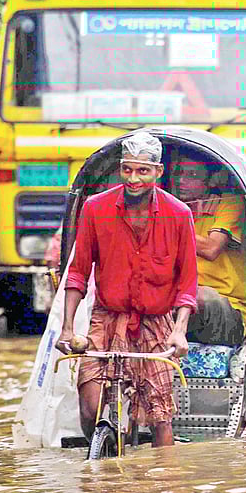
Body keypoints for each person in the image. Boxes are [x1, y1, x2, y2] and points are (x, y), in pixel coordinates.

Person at [58, 133, 198, 448]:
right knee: (91, 405)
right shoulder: (96, 208)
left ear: (158, 172)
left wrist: (180, 331)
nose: (133, 179)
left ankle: (167, 485)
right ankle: (102, 456)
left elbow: (188, 283)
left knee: (161, 416)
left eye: (142, 171)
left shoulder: (179, 214)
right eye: (127, 170)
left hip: (155, 320)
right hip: (106, 317)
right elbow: (79, 273)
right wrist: (67, 327)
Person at [171, 153, 246, 347]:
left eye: (192, 175)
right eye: (179, 173)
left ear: (211, 180)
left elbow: (212, 248)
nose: (181, 180)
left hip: (226, 309)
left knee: (203, 297)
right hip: (181, 300)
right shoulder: (171, 207)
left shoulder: (229, 203)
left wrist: (170, 226)